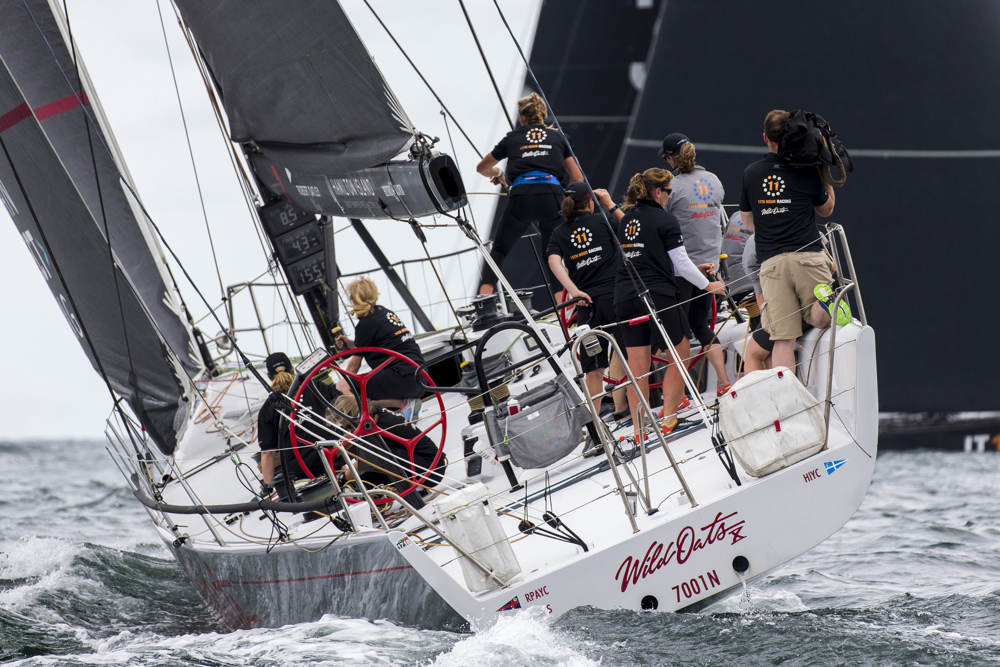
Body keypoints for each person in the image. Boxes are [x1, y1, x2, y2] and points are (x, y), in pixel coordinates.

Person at [600, 169, 725, 440]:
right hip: (656, 296)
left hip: (624, 299)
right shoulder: (666, 220)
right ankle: (669, 417)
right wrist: (709, 285)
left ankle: (639, 430)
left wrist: (696, 269)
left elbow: (659, 259)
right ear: (657, 192)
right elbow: (679, 264)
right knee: (681, 354)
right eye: (669, 191)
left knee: (638, 368)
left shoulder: (628, 219)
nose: (670, 196)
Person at [739, 109, 836, 371]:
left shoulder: (751, 173)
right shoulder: (807, 171)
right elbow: (826, 210)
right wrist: (823, 174)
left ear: (765, 137)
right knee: (820, 319)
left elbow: (747, 223)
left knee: (783, 339)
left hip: (772, 264)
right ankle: (824, 304)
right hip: (808, 256)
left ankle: (788, 404)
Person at [476, 92, 584, 294]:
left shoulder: (512, 138)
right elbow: (578, 178)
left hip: (521, 196)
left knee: (498, 250)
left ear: (522, 117)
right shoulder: (560, 137)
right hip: (553, 196)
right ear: (542, 115)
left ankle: (484, 304)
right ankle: (566, 311)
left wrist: (498, 173)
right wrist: (566, 200)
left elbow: (482, 168)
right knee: (552, 256)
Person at [659, 133, 732, 395]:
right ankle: (724, 382)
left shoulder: (672, 187)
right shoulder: (713, 180)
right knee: (701, 324)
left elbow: (660, 222)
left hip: (684, 270)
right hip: (711, 268)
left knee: (676, 334)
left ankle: (677, 397)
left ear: (670, 159)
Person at [546, 182, 623, 413]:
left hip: (585, 304)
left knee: (593, 368)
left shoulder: (559, 232)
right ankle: (625, 409)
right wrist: (610, 205)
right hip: (615, 297)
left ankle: (596, 423)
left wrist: (573, 290)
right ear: (590, 201)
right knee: (627, 351)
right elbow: (632, 226)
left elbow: (552, 261)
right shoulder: (603, 219)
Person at [335, 277, 425, 418]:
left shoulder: (366, 324)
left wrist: (342, 388)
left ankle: (366, 422)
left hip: (402, 376)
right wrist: (352, 344)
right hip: (421, 377)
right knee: (362, 390)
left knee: (343, 387)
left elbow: (354, 366)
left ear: (353, 300)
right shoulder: (386, 313)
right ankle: (403, 404)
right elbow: (385, 341)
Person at [327, 393, 445, 490]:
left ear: (358, 417)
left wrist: (341, 479)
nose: (348, 431)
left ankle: (414, 491)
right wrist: (335, 451)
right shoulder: (375, 413)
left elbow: (362, 464)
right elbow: (352, 434)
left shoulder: (380, 428)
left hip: (430, 471)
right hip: (424, 461)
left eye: (348, 426)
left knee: (366, 466)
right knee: (366, 472)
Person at [257, 352, 327, 495]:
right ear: (293, 369)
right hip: (333, 456)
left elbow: (268, 453)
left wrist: (267, 486)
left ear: (269, 377)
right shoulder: (316, 386)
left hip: (300, 471)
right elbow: (345, 407)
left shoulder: (267, 409)